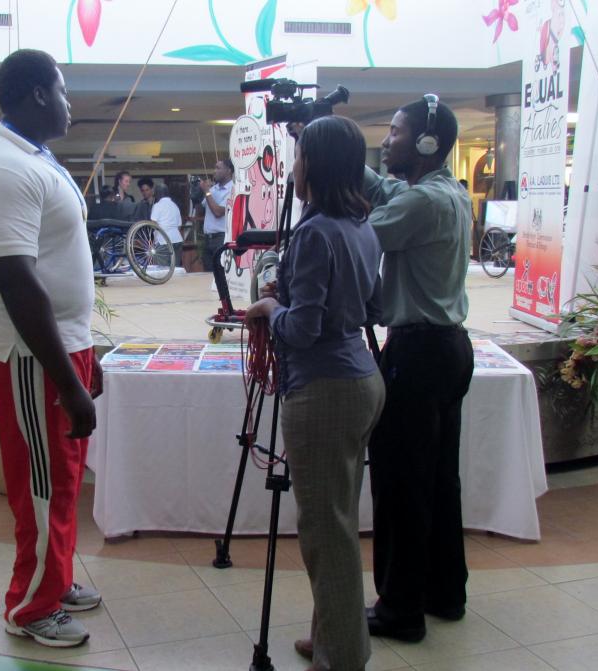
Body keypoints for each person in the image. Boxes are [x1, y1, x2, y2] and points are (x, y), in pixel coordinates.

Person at [0, 48, 102, 649]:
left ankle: (56, 578)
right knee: (41, 479)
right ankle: (31, 605)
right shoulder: (2, 170)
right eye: (63, 91)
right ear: (38, 95)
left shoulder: (33, 157)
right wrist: (67, 382)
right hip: (28, 354)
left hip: (56, 345)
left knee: (62, 474)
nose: (70, 103)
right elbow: (17, 281)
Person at [245, 116, 384, 671]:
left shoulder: (312, 233)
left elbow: (300, 330)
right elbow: (373, 308)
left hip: (322, 390)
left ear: (314, 166)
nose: (293, 167)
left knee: (325, 532)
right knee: (339, 519)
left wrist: (270, 307)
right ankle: (333, 632)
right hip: (362, 380)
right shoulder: (363, 227)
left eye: (299, 157)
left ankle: (342, 656)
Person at [364, 95, 475, 644]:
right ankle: (443, 590)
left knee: (401, 483)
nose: (387, 140)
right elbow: (388, 193)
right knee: (438, 480)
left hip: (416, 354)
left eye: (396, 131)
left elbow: (364, 234)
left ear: (427, 143)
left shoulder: (419, 206)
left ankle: (399, 608)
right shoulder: (448, 193)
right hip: (451, 349)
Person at [200, 159, 234, 272]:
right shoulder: (213, 189)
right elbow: (202, 207)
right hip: (208, 239)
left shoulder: (233, 189)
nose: (214, 171)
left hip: (221, 238)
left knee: (220, 274)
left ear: (228, 171)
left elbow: (218, 212)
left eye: (218, 168)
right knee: (207, 274)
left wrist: (207, 192)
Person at [149, 182, 183, 267]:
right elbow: (179, 225)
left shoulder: (157, 205)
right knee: (175, 269)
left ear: (157, 194)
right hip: (177, 240)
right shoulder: (175, 206)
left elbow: (153, 224)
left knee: (163, 271)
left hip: (163, 241)